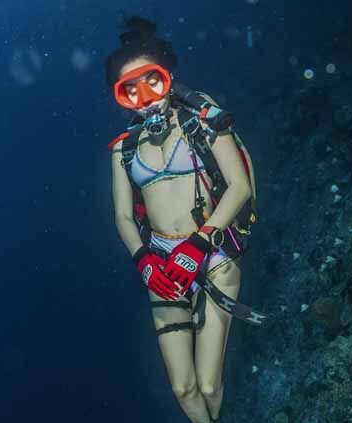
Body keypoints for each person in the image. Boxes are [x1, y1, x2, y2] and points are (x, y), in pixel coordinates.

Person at [105, 16, 256, 423]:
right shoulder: (122, 150)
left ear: (168, 76)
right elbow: (121, 215)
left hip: (215, 254)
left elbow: (240, 186)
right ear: (120, 97)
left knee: (208, 385)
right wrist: (143, 259)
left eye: (151, 81)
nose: (145, 97)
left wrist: (200, 243)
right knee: (183, 388)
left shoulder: (204, 122)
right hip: (163, 266)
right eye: (129, 90)